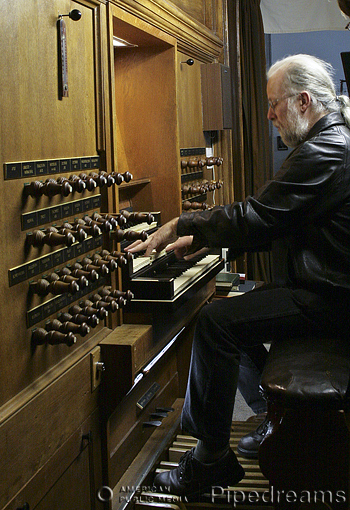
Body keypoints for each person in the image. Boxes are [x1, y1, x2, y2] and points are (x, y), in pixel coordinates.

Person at [126, 54, 350, 501]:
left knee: (216, 325)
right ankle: (273, 416)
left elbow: (260, 215)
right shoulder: (330, 141)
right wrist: (214, 241)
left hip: (331, 300)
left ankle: (208, 461)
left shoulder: (327, 148)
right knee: (230, 312)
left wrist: (185, 223)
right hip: (324, 287)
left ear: (303, 101)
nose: (269, 115)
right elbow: (285, 223)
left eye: (274, 104)